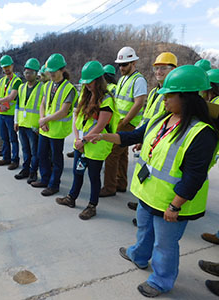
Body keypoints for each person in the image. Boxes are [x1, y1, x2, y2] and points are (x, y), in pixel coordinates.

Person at [88, 65, 218, 297]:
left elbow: (194, 176)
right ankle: (138, 255)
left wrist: (175, 205)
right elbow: (134, 136)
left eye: (169, 95)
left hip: (172, 201)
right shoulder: (163, 118)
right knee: (145, 228)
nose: (163, 99)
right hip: (149, 193)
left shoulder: (202, 133)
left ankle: (161, 281)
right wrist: (103, 135)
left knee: (164, 245)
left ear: (187, 98)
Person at [56, 61, 119, 219]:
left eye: (89, 82)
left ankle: (92, 206)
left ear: (98, 80)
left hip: (95, 145)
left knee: (93, 176)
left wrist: (83, 142)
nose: (87, 85)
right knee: (78, 172)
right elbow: (77, 119)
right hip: (81, 144)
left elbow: (100, 125)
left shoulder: (106, 100)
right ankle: (71, 198)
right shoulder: (85, 95)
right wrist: (78, 140)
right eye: (85, 82)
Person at [127, 52, 177, 212]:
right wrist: (143, 138)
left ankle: (151, 207)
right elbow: (149, 117)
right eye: (156, 68)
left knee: (157, 176)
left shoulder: (175, 94)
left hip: (162, 141)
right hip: (149, 137)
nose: (158, 72)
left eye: (163, 68)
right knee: (145, 171)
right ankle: (143, 201)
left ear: (173, 70)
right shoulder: (155, 91)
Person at [100, 46, 147, 197]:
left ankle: (109, 187)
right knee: (121, 155)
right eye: (120, 64)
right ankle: (120, 183)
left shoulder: (138, 80)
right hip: (119, 121)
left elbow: (139, 103)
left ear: (134, 63)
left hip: (127, 123)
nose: (121, 67)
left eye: (125, 64)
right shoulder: (123, 79)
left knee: (112, 154)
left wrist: (125, 122)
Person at [31, 53, 78, 196]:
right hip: (46, 128)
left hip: (57, 130)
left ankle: (54, 184)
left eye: (53, 71)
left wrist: (45, 120)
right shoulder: (47, 85)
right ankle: (45, 179)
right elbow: (43, 104)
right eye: (49, 71)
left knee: (56, 159)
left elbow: (64, 111)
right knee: (42, 155)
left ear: (62, 70)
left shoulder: (69, 88)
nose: (50, 74)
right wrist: (42, 118)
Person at [14, 58, 44, 183]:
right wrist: (16, 121)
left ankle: (33, 172)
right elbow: (18, 105)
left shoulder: (42, 88)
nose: (27, 74)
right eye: (26, 72)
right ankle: (25, 169)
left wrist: (41, 125)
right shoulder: (21, 87)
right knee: (25, 149)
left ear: (36, 73)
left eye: (30, 72)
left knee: (34, 151)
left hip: (34, 126)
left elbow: (45, 107)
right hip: (22, 124)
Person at [0, 55, 22, 170]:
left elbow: (12, 96)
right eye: (4, 67)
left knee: (13, 138)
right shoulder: (1, 81)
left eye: (8, 66)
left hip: (11, 115)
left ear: (12, 66)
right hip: (2, 113)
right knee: (4, 137)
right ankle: (6, 157)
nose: (6, 69)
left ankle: (15, 160)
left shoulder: (17, 81)